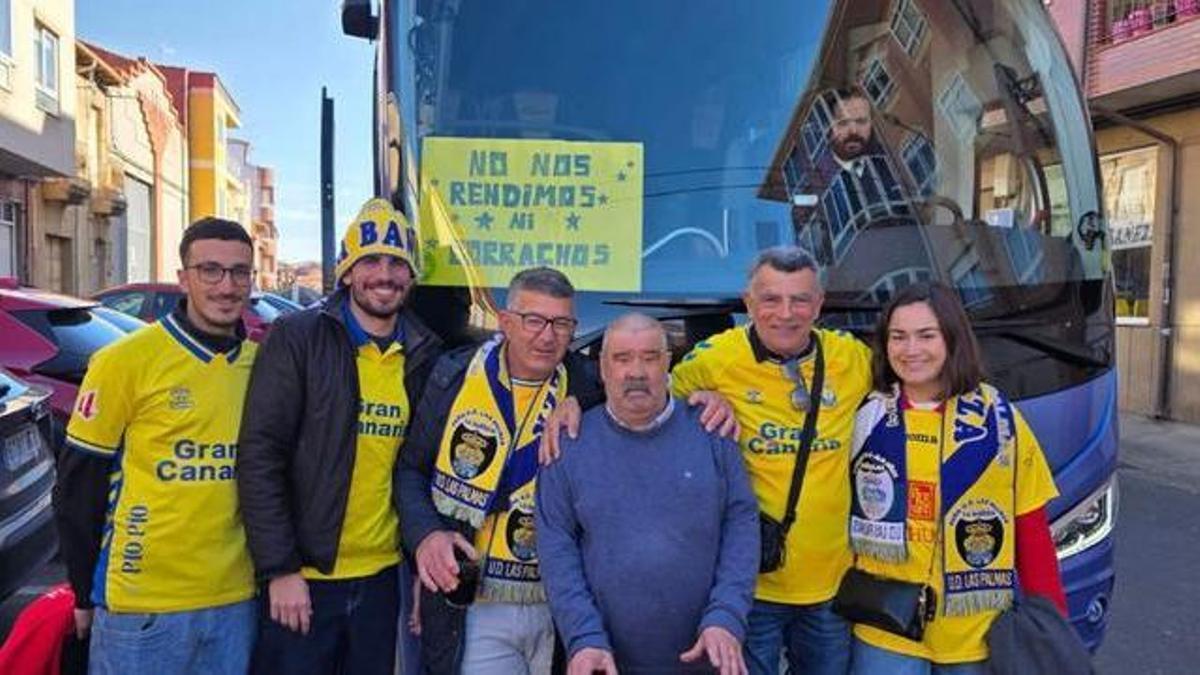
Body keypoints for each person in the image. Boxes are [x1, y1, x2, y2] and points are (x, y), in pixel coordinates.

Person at [236, 198, 443, 675]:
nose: (384, 274)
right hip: (304, 580)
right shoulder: (297, 337)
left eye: (397, 263)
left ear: (410, 277)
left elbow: (421, 471)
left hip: (380, 580)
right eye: (370, 260)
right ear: (347, 272)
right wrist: (281, 569)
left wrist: (416, 566)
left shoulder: (423, 353)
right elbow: (260, 455)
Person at [53, 217, 259, 674]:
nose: (226, 286)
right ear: (183, 278)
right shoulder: (123, 361)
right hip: (141, 609)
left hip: (236, 602)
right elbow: (77, 488)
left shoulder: (261, 366)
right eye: (210, 270)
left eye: (239, 272)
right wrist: (83, 591)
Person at [846, 281, 1067, 674]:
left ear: (952, 339)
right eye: (898, 336)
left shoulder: (1001, 422)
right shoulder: (863, 417)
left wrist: (1052, 629)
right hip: (884, 628)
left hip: (975, 634)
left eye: (926, 335)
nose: (911, 350)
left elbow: (1030, 531)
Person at [671, 246, 872, 675]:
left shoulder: (852, 359)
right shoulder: (711, 361)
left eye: (800, 299)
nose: (786, 313)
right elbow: (646, 406)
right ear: (748, 304)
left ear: (818, 305)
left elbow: (921, 380)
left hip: (831, 588)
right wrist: (697, 397)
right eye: (771, 299)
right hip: (749, 587)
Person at [397, 267, 606, 674]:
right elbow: (410, 471)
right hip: (475, 605)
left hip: (558, 605)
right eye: (533, 320)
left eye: (561, 323)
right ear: (506, 321)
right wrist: (426, 536)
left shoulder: (588, 388)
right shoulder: (451, 377)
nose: (547, 336)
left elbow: (652, 399)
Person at [537, 313, 760, 675]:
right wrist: (584, 637)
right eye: (622, 358)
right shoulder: (567, 444)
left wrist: (726, 616)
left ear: (668, 363)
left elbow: (742, 523)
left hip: (709, 656)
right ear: (603, 368)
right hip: (606, 662)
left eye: (650, 357)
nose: (636, 371)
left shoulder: (712, 431)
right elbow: (556, 548)